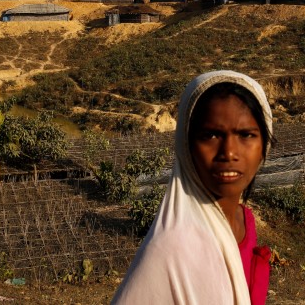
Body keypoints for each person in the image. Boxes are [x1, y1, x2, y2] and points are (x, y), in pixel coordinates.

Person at [111, 70, 273, 305]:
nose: (228, 152)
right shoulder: (171, 249)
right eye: (211, 136)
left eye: (246, 135)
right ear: (186, 146)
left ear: (264, 145)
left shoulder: (244, 220)